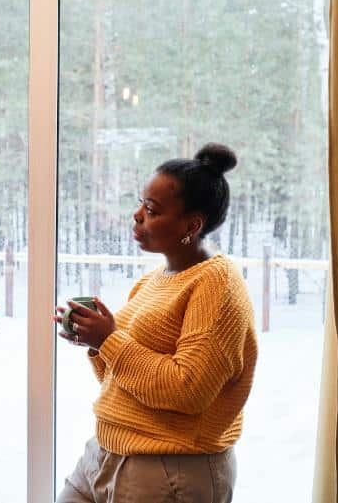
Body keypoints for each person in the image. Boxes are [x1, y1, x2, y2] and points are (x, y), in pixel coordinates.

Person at [54, 143, 257, 503]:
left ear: (192, 225)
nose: (137, 215)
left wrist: (111, 340)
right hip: (105, 453)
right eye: (141, 203)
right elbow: (126, 381)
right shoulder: (152, 281)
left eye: (152, 209)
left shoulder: (216, 282)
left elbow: (188, 390)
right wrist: (98, 342)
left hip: (170, 469)